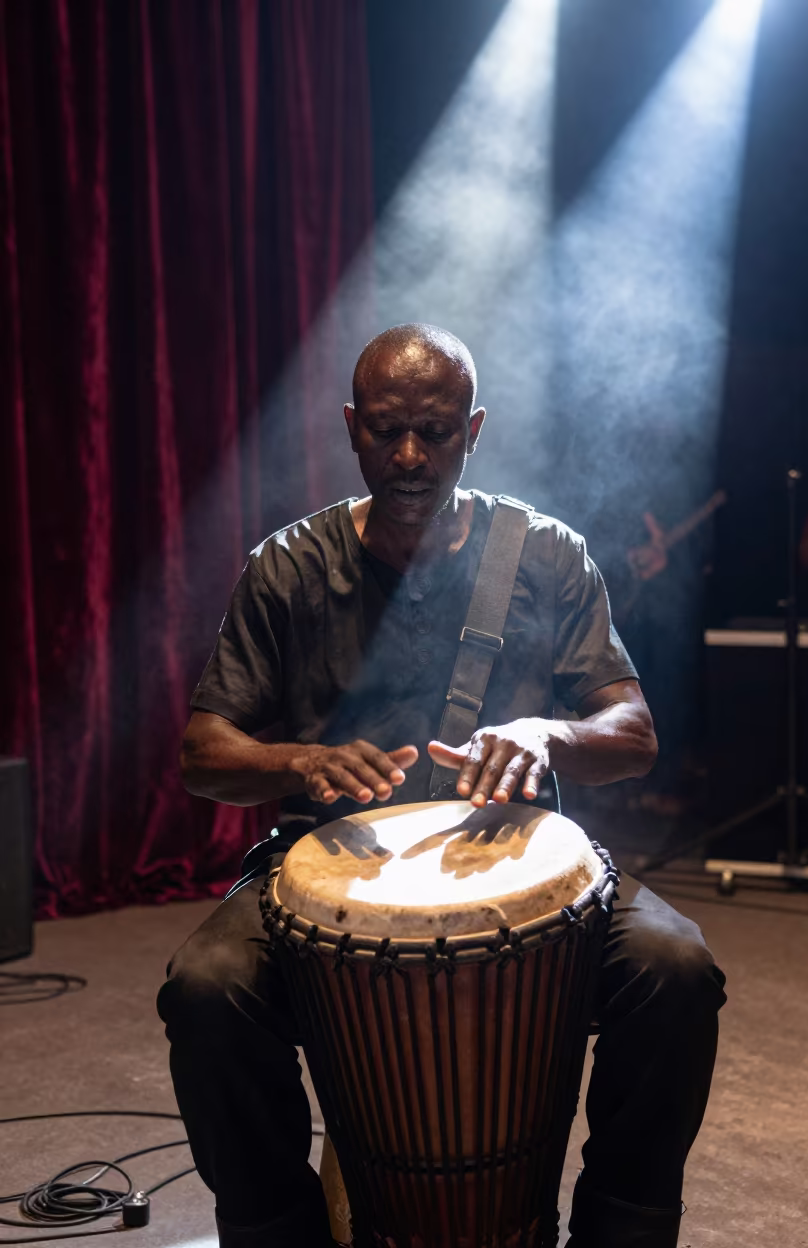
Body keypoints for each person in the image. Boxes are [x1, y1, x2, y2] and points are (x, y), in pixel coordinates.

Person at [157, 324, 726, 1248]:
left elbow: (634, 735)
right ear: (351, 427)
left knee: (677, 969)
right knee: (205, 988)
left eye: (437, 429)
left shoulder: (544, 555)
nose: (412, 455)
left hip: (530, 869)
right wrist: (298, 759)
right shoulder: (290, 568)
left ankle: (622, 1227)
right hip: (317, 878)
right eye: (388, 430)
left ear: (476, 429)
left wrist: (548, 730)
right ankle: (275, 1231)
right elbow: (201, 751)